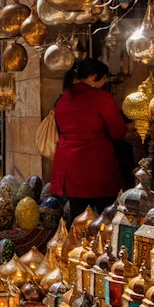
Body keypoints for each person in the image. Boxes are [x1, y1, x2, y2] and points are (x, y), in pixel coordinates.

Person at [50, 58, 127, 220]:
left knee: (78, 220)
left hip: (70, 168)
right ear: (93, 77)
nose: (104, 82)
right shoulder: (101, 98)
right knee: (106, 220)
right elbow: (118, 131)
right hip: (96, 167)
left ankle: (77, 245)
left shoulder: (63, 99)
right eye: (104, 78)